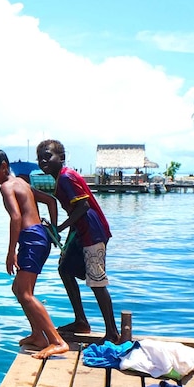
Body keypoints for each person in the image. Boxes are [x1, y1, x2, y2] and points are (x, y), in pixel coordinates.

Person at [0, 148, 69, 359]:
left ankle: (57, 341)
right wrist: (53, 230)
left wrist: (11, 252)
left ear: (3, 167)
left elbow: (16, 218)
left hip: (31, 238)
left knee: (25, 294)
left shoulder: (6, 186)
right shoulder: (23, 183)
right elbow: (50, 201)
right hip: (39, 237)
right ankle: (38, 335)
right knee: (19, 288)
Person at [36, 139, 120, 343]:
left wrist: (59, 228)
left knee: (96, 281)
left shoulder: (66, 177)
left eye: (48, 156)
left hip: (93, 233)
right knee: (65, 269)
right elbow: (76, 210)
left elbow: (83, 207)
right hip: (81, 233)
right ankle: (81, 321)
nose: (43, 161)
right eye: (40, 158)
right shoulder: (60, 179)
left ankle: (112, 333)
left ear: (61, 158)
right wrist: (66, 240)